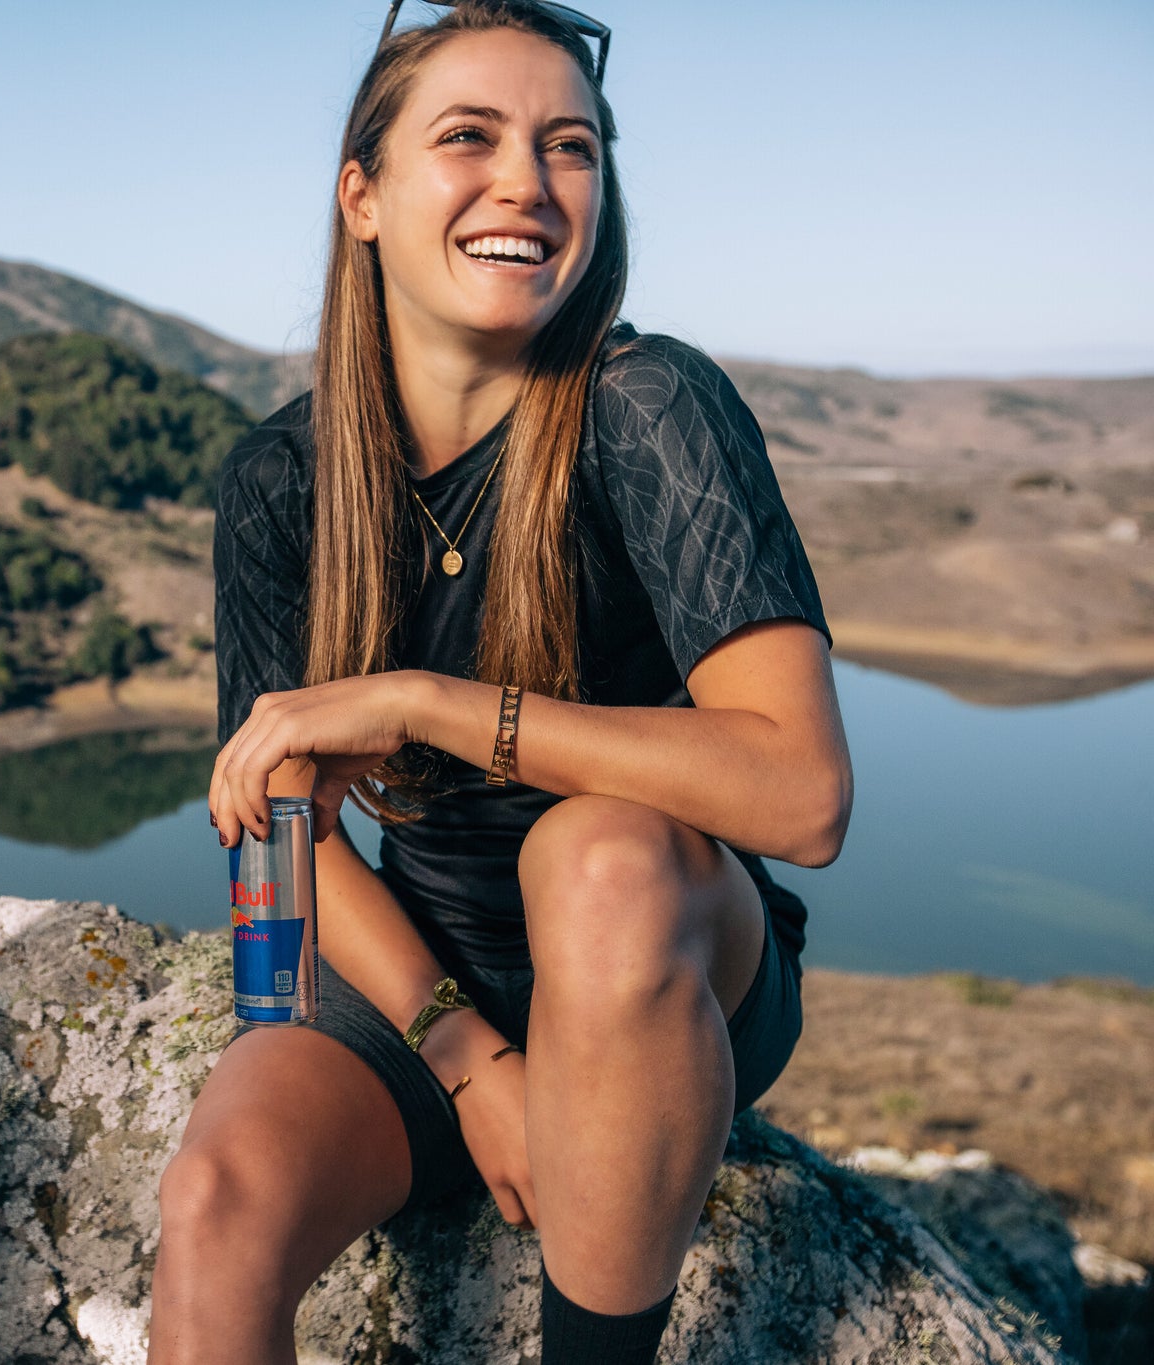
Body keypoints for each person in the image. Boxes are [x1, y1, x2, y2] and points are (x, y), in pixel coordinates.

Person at [147, 2, 853, 1362]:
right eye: (469, 136)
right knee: (216, 1201)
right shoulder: (279, 480)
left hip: (668, 949)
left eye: (569, 146)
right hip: (429, 968)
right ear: (363, 193)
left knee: (596, 858)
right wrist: (467, 1057)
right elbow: (277, 832)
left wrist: (423, 703)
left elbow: (803, 792)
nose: (527, 181)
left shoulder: (650, 407)